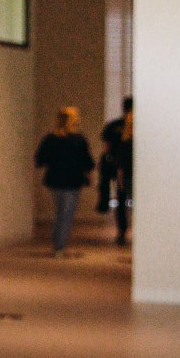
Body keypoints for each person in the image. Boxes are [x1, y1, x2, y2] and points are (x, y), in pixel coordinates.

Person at [35, 106, 95, 255]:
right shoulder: (78, 139)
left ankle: (58, 243)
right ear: (69, 120)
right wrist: (88, 174)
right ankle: (59, 245)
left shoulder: (51, 138)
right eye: (75, 117)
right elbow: (86, 160)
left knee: (61, 212)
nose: (77, 119)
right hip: (72, 181)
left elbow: (40, 159)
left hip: (55, 180)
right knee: (66, 213)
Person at [98, 97, 133, 243]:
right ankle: (124, 231)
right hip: (126, 169)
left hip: (118, 168)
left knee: (121, 200)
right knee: (123, 199)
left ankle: (122, 231)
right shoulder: (134, 127)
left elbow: (106, 149)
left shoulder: (113, 126)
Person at [113, 107, 134, 246]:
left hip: (128, 177)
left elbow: (120, 164)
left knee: (124, 206)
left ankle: (123, 230)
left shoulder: (125, 142)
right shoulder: (127, 143)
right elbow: (120, 165)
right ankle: (124, 230)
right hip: (129, 177)